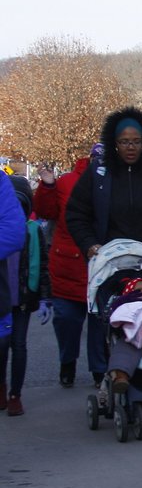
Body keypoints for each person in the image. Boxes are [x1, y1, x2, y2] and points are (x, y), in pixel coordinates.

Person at [65, 106, 142, 275]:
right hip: (108, 264)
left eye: (136, 141)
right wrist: (90, 244)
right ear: (114, 143)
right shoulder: (98, 171)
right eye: (124, 142)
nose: (130, 147)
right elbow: (76, 213)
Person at [34, 146, 108, 388]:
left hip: (103, 263)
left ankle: (100, 370)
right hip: (68, 262)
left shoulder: (118, 182)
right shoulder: (67, 182)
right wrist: (47, 187)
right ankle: (68, 361)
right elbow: (46, 212)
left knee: (100, 323)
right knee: (66, 319)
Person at [0, 176, 51, 416]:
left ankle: (15, 394)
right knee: (2, 346)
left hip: (21, 299)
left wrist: (44, 297)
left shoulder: (33, 232)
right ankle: (1, 387)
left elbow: (42, 266)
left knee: (18, 345)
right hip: (3, 297)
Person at [0, 171, 28, 412]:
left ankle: (12, 392)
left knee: (15, 345)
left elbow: (13, 233)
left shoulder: (0, 182)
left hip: (12, 299)